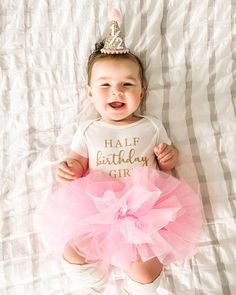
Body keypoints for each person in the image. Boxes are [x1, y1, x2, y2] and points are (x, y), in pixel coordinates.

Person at [43, 9, 202, 295]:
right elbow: (76, 163)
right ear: (90, 92)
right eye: (105, 85)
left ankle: (138, 287)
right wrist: (68, 168)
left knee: (144, 269)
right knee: (74, 252)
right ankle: (90, 283)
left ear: (142, 92)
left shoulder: (151, 126)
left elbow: (167, 161)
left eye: (127, 85)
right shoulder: (89, 130)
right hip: (96, 207)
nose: (116, 92)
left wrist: (169, 157)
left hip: (145, 211)